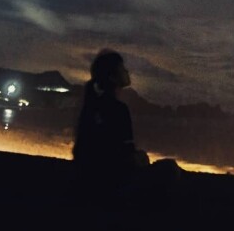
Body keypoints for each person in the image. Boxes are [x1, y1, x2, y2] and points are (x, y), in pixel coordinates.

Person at [72, 49, 177, 198]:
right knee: (170, 169)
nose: (127, 72)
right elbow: (125, 157)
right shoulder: (118, 109)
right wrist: (140, 158)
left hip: (93, 183)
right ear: (113, 77)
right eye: (123, 69)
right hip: (113, 187)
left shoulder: (92, 107)